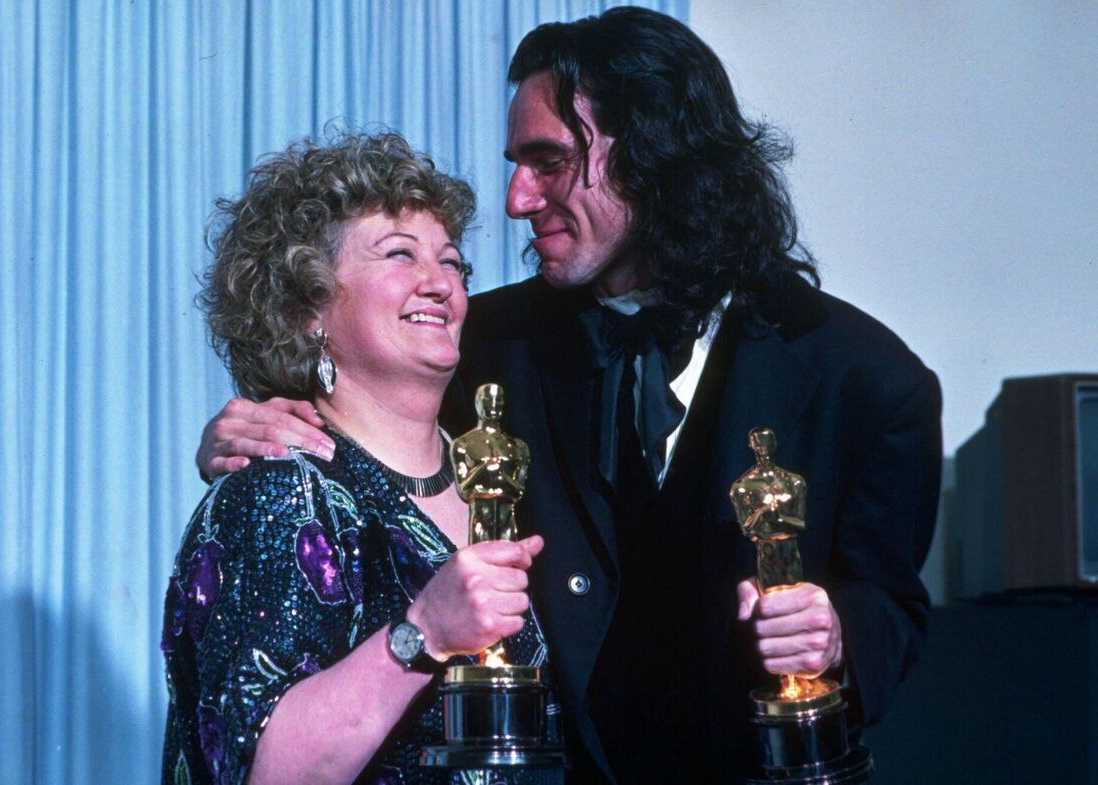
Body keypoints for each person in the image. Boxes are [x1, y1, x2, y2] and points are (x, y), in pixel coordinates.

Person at [194, 8, 941, 784]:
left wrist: (836, 639)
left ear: (655, 155)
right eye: (517, 163)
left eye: (548, 161)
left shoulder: (868, 381)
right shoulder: (473, 342)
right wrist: (241, 425)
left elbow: (891, 606)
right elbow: (342, 422)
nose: (517, 198)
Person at [161, 132, 562, 785]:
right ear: (306, 309)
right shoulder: (280, 493)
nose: (438, 283)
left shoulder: (496, 477)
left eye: (453, 261)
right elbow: (265, 772)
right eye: (400, 254)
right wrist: (423, 631)